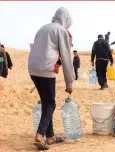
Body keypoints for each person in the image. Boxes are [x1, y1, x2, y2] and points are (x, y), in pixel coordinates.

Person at [28, 7, 75, 150]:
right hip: (47, 69)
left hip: (32, 68)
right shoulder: (61, 31)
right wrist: (69, 82)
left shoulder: (43, 28)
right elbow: (66, 57)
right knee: (50, 104)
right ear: (66, 20)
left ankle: (51, 136)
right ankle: (40, 135)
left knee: (46, 102)